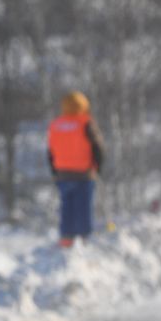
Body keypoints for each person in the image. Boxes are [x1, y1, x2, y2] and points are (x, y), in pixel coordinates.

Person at [47, 90, 105, 247]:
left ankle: (66, 239)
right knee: (83, 207)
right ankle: (85, 239)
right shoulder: (86, 123)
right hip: (84, 173)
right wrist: (98, 167)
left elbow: (51, 150)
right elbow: (98, 147)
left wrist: (54, 171)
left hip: (63, 174)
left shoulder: (56, 125)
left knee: (67, 207)